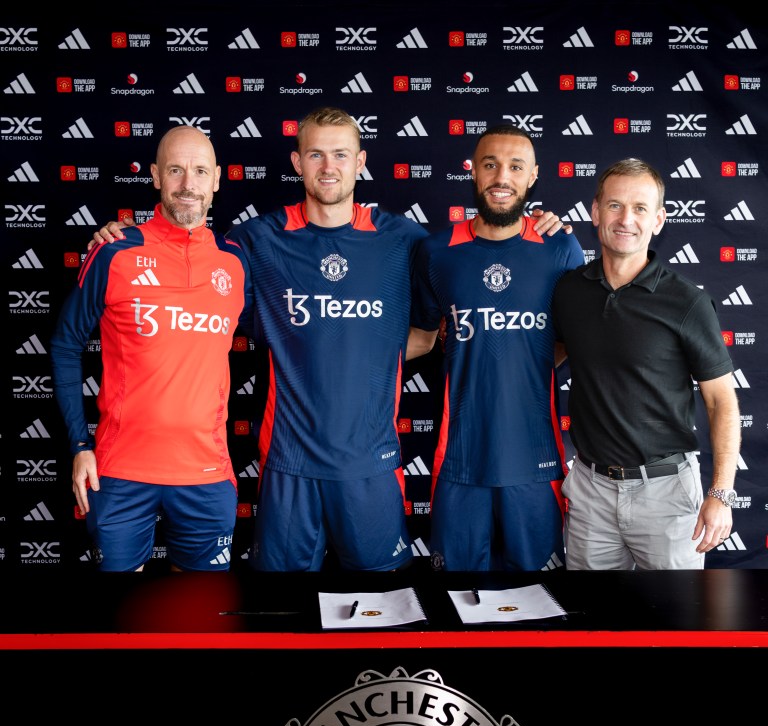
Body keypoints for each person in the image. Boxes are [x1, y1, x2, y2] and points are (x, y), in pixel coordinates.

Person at [90, 108, 566, 573]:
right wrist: (120, 239)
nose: (329, 166)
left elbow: (448, 307)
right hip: (288, 464)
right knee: (282, 615)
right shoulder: (255, 240)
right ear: (297, 164)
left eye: (341, 155)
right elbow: (186, 260)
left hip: (371, 464)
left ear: (360, 163)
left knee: (386, 607)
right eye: (315, 155)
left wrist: (537, 226)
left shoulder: (406, 240)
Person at [50, 125, 253, 572]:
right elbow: (66, 346)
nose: (188, 184)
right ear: (156, 175)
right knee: (123, 626)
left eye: (200, 171)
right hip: (120, 471)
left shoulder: (236, 262)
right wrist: (80, 444)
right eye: (176, 170)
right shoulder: (114, 251)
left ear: (217, 179)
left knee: (200, 621)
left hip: (207, 474)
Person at [551, 157, 741, 570]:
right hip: (590, 490)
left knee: (677, 625)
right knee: (592, 627)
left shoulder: (687, 302)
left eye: (640, 208)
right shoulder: (568, 291)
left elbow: (722, 401)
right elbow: (549, 353)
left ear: (658, 220)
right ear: (594, 212)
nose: (626, 219)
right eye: (615, 205)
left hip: (667, 494)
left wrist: (721, 494)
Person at [411, 123, 585, 572]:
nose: (501, 177)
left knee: (541, 604)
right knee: (456, 602)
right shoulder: (437, 251)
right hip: (460, 459)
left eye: (514, 166)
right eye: (490, 165)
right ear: (473, 172)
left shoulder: (560, 249)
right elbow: (426, 336)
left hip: (534, 457)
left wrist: (522, 355)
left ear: (532, 177)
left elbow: (570, 340)